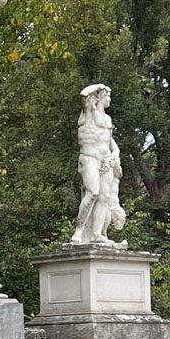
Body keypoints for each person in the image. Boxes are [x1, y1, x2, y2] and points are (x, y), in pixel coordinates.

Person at [70, 83, 125, 246]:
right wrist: (100, 87)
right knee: (93, 192)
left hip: (105, 161)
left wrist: (112, 158)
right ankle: (79, 230)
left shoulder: (108, 119)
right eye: (107, 96)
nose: (110, 99)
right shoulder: (88, 112)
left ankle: (96, 234)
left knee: (104, 197)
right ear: (98, 97)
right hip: (89, 158)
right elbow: (83, 94)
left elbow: (113, 146)